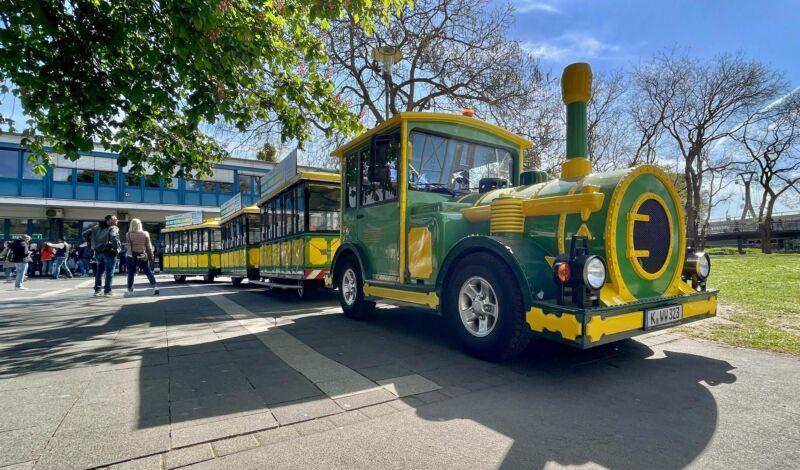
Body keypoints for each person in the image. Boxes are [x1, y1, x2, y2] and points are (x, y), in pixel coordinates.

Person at [84, 214, 121, 297]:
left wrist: (90, 243)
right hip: (109, 251)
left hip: (98, 252)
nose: (117, 220)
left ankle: (97, 291)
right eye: (115, 219)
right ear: (109, 220)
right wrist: (115, 248)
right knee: (109, 272)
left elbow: (84, 234)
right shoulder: (113, 227)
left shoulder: (96, 227)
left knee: (99, 272)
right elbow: (114, 236)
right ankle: (107, 291)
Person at [124, 218, 159, 297]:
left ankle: (130, 291)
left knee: (130, 273)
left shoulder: (128, 234)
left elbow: (129, 246)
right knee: (148, 272)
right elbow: (148, 246)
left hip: (130, 256)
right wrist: (151, 255)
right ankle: (155, 287)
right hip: (142, 255)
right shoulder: (145, 233)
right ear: (140, 225)